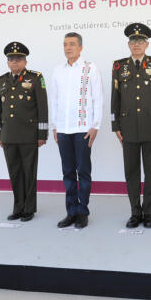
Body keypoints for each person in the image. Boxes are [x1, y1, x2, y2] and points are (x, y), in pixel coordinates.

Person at [111, 23, 151, 228]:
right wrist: (115, 125)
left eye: (140, 41)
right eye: (133, 41)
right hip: (127, 127)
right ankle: (135, 212)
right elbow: (115, 99)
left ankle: (149, 214)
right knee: (131, 172)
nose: (136, 45)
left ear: (147, 44)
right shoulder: (119, 66)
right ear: (128, 44)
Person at [50, 32, 103, 229]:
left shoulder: (90, 69)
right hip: (63, 129)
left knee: (83, 172)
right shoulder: (58, 71)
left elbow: (98, 98)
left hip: (83, 129)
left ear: (80, 47)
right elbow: (54, 101)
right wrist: (55, 127)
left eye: (72, 44)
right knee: (68, 172)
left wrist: (95, 126)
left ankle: (83, 212)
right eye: (65, 44)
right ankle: (71, 211)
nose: (68, 48)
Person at [0, 41, 48, 222]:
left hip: (28, 135)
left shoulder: (35, 78)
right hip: (8, 135)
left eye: (18, 59)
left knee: (29, 173)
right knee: (14, 172)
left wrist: (42, 134)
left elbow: (42, 108)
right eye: (11, 59)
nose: (14, 63)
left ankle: (29, 209)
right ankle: (18, 207)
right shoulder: (2, 80)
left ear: (25, 61)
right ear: (7, 62)